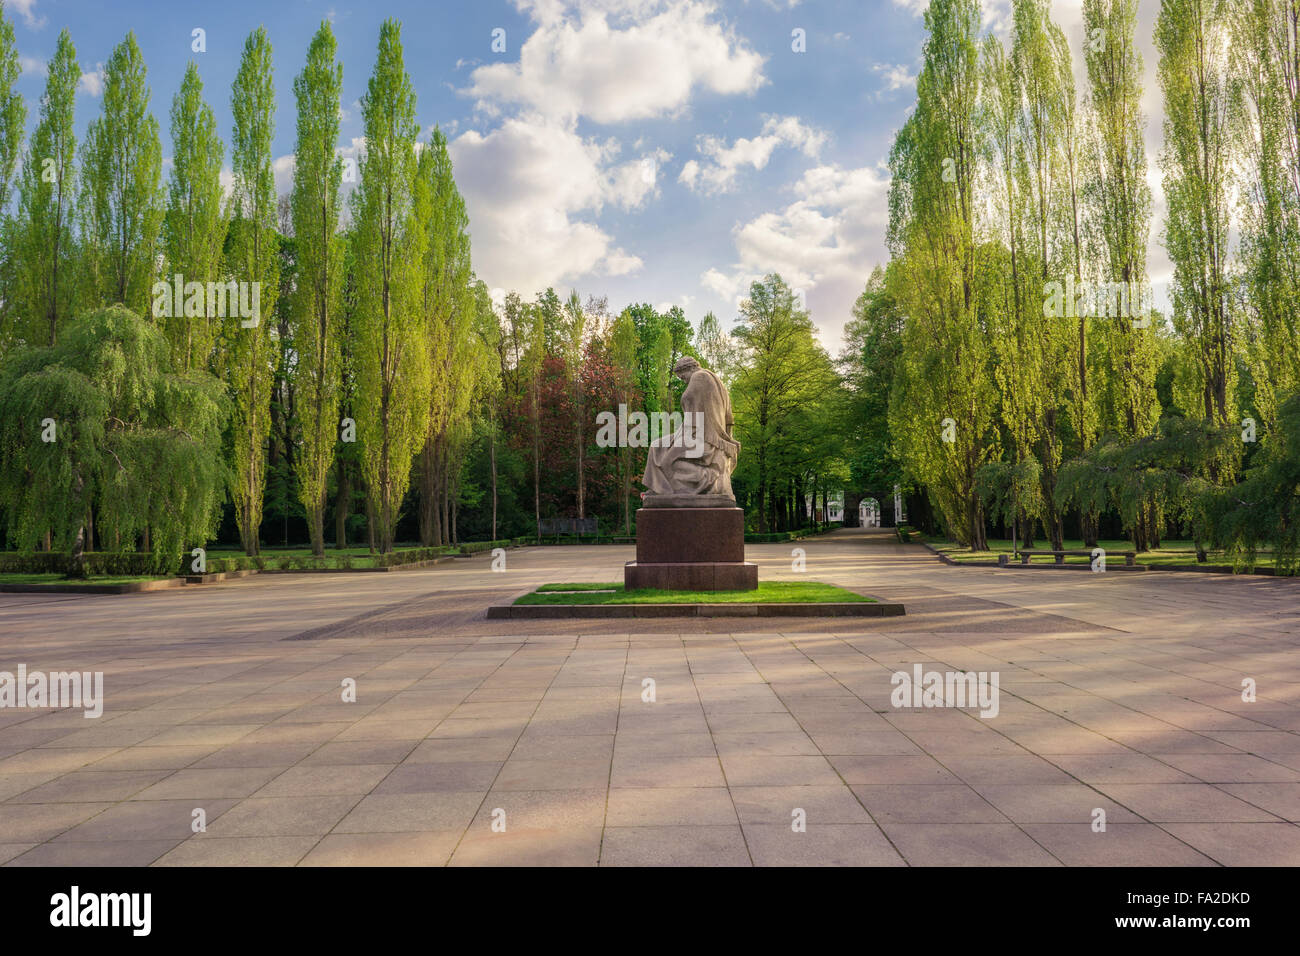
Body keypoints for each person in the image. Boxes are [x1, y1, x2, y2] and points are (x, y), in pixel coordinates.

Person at [641, 356, 741, 498]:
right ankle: (660, 489)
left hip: (704, 439)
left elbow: (693, 414)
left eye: (683, 376)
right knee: (657, 447)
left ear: (690, 368)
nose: (683, 380)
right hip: (703, 435)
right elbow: (729, 419)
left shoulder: (699, 377)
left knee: (661, 453)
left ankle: (701, 479)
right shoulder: (716, 380)